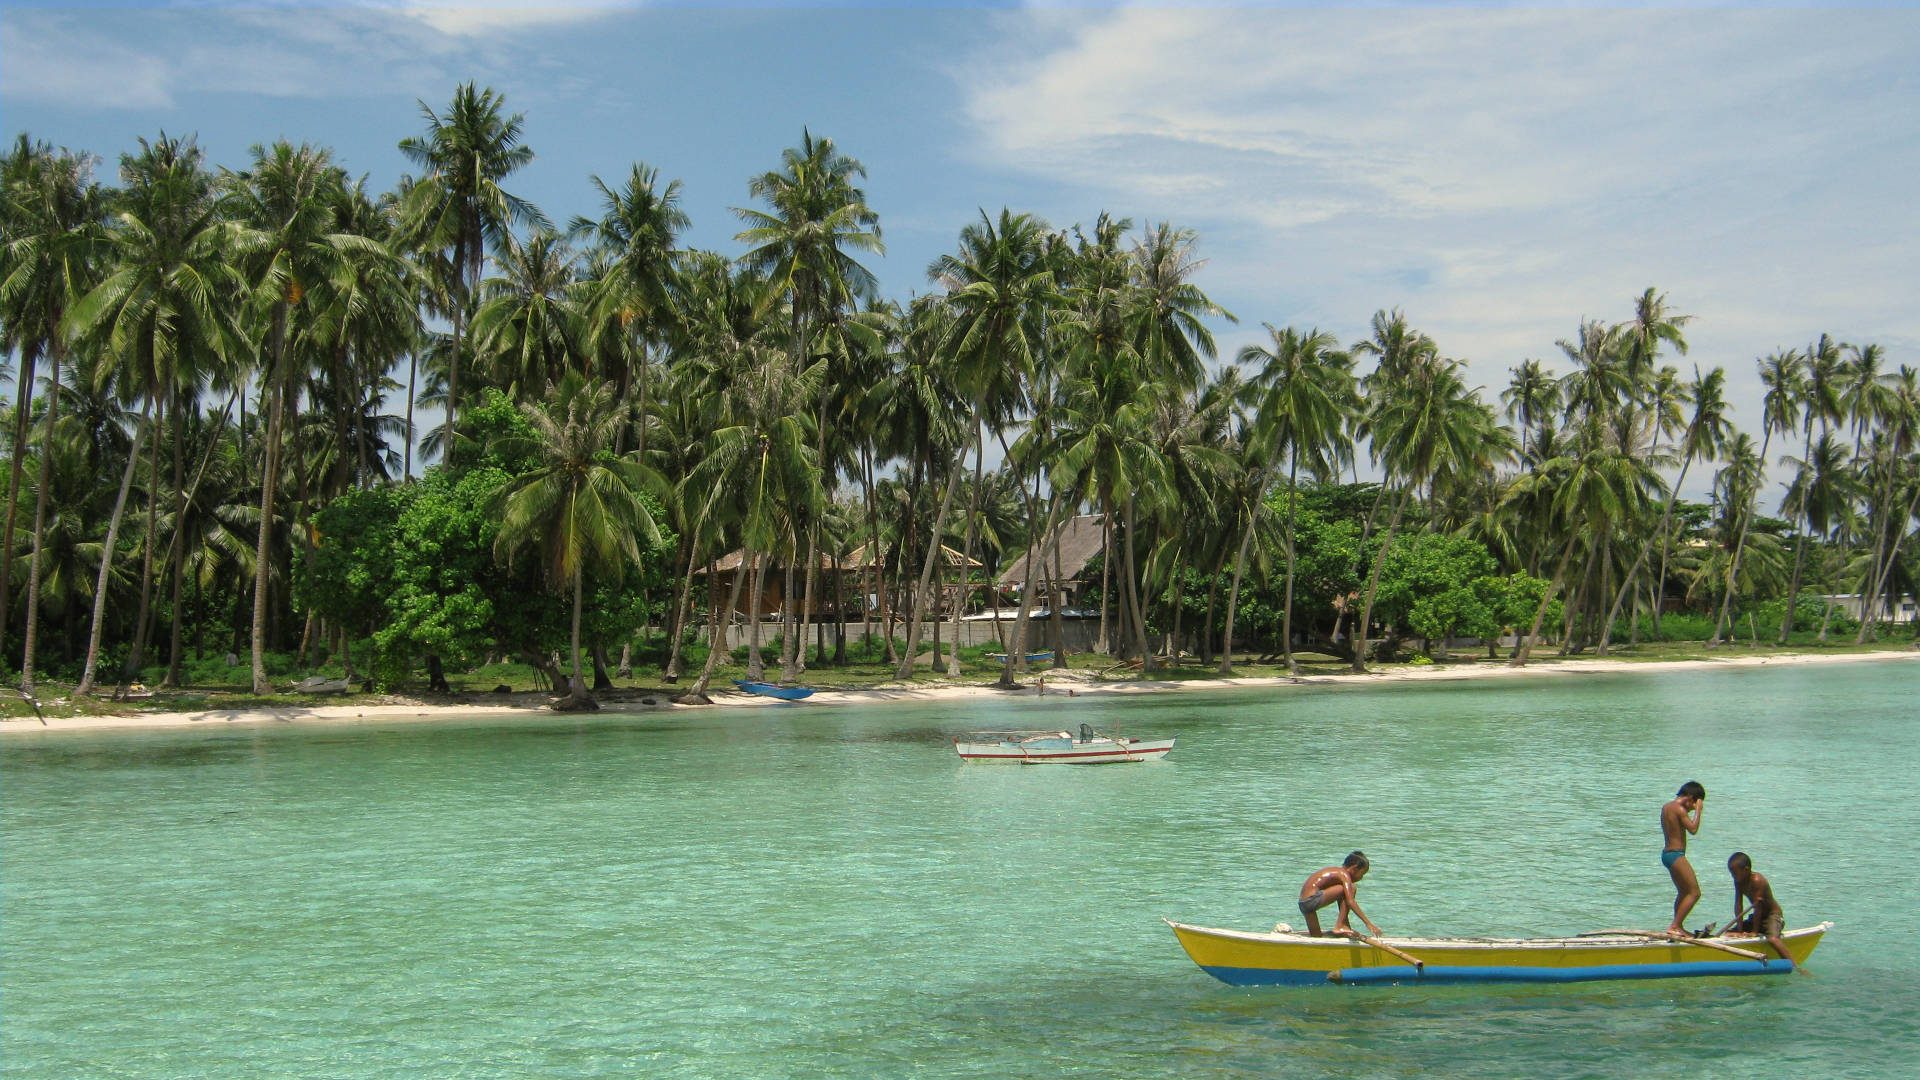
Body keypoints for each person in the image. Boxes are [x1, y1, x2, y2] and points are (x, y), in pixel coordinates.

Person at [1297, 852, 1381, 938]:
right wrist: (1369, 924)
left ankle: (1344, 926)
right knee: (1351, 888)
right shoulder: (1343, 874)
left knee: (1316, 936)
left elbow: (1343, 900)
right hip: (1311, 900)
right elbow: (1350, 901)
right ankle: (1341, 926)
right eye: (1362, 874)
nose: (1361, 878)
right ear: (1354, 869)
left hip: (1304, 905)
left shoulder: (1337, 873)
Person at [1726, 852, 1791, 962]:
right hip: (1757, 917)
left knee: (1772, 939)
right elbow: (1738, 905)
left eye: (1735, 873)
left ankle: (1794, 966)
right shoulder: (1738, 881)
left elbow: (1758, 907)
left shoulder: (1757, 881)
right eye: (1731, 873)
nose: (1733, 876)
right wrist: (1740, 929)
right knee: (1729, 933)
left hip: (1772, 915)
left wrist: (1754, 932)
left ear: (1746, 870)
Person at [1661, 781, 1706, 935]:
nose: (1692, 808)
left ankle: (1677, 926)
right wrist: (1698, 811)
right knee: (1694, 892)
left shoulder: (1666, 807)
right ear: (1690, 798)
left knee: (1683, 892)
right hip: (1676, 855)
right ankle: (1675, 926)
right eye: (1694, 804)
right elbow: (1693, 829)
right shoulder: (1679, 809)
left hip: (1667, 854)